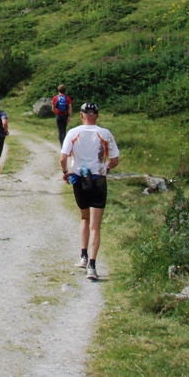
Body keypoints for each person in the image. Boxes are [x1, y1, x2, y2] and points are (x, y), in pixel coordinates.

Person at [59, 102, 120, 281]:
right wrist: (106, 168)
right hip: (98, 178)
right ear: (97, 116)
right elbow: (115, 160)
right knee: (95, 224)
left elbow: (63, 158)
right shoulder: (105, 134)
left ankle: (83, 257)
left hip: (79, 178)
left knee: (84, 218)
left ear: (81, 115)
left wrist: (65, 173)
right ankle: (92, 267)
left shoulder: (73, 133)